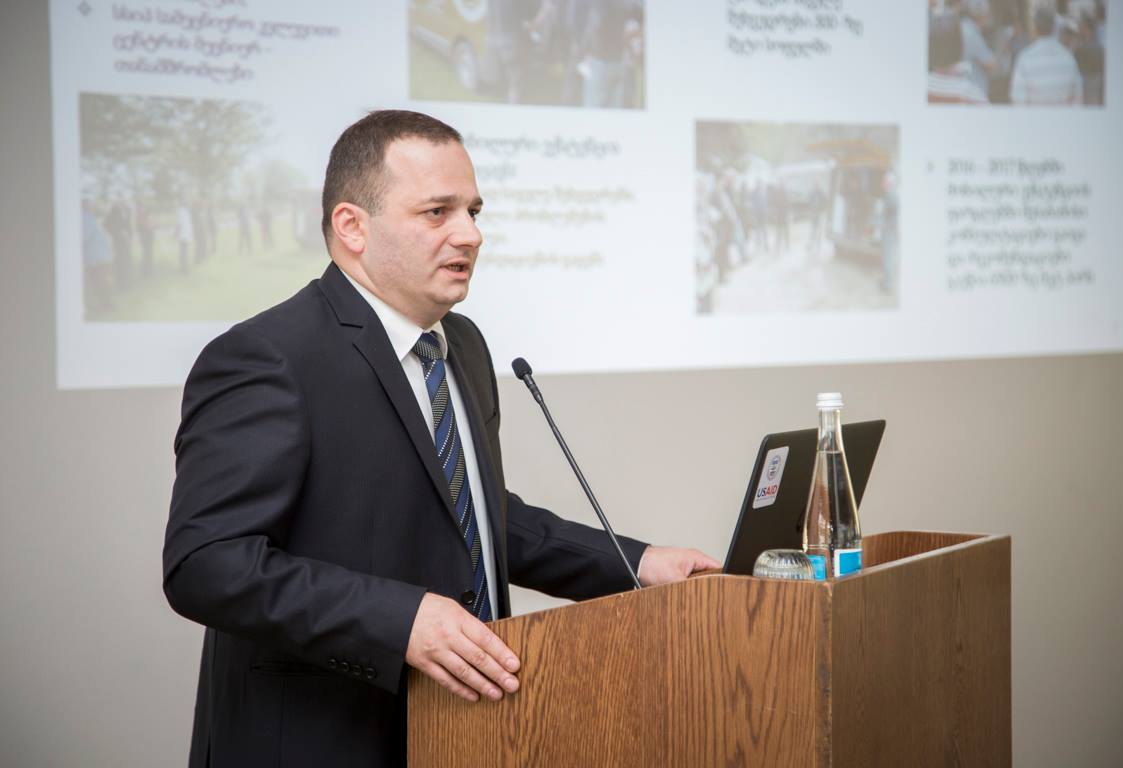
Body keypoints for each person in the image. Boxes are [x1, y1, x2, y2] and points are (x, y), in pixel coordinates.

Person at [162, 109, 718, 768]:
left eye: (474, 211)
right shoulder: (268, 357)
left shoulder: (463, 346)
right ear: (352, 227)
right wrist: (400, 621)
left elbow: (473, 520)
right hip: (321, 739)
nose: (470, 234)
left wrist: (636, 563)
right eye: (437, 212)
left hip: (465, 733)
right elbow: (207, 564)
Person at [1010, 7, 1083, 105]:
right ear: (1054, 27)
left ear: (1035, 27)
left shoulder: (1025, 58)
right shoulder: (1069, 58)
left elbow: (1018, 99)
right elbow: (1078, 99)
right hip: (1063, 114)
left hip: (1034, 115)